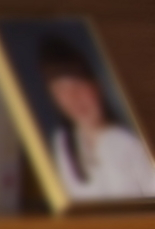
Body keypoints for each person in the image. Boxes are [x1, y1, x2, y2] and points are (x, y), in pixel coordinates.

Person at [40, 38, 155, 202]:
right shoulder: (62, 142)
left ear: (96, 86)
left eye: (78, 85)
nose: (73, 97)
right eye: (61, 90)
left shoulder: (129, 142)